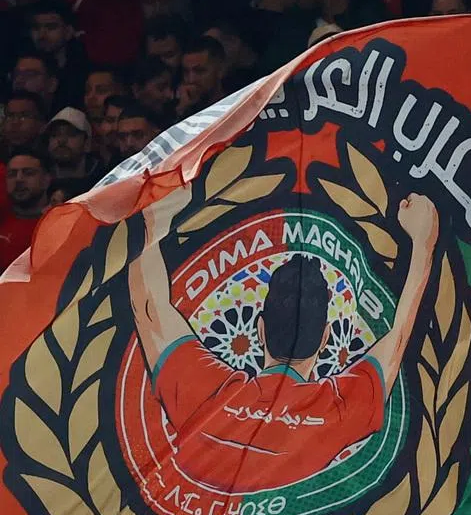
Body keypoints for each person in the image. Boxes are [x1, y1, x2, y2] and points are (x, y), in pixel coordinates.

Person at [128, 189, 438, 493]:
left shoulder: (207, 391)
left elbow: (148, 310)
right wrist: (424, 244)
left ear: (259, 330)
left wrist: (154, 222)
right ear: (325, 338)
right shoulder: (339, 412)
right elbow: (398, 340)